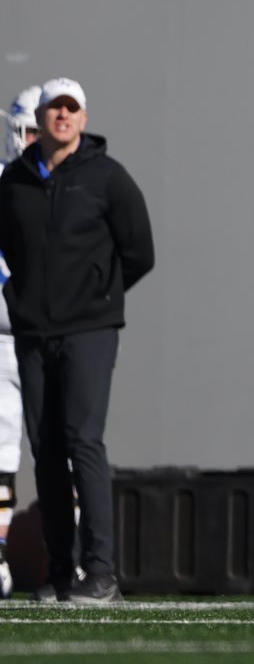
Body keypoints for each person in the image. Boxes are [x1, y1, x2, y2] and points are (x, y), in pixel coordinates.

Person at [0, 78, 154, 604]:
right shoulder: (14, 181)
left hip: (89, 331)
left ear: (83, 119)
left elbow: (140, 252)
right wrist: (22, 296)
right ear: (40, 119)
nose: (63, 116)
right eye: (54, 109)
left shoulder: (108, 177)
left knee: (83, 441)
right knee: (44, 449)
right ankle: (62, 572)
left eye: (72, 109)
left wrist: (97, 297)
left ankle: (102, 572)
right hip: (32, 333)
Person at [0, 84, 41, 599]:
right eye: (29, 131)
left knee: (68, 450)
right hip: (3, 340)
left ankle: (72, 559)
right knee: (1, 453)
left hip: (52, 337)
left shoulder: (69, 186)